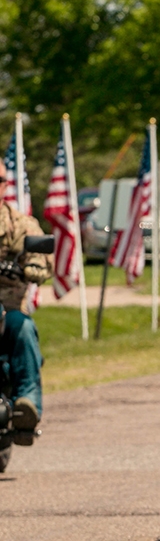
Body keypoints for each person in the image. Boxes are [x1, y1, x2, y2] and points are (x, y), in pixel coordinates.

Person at [0, 167, 51, 443]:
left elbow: (39, 257)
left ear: (5, 185)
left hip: (8, 313)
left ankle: (26, 405)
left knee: (24, 329)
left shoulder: (21, 224)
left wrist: (31, 266)